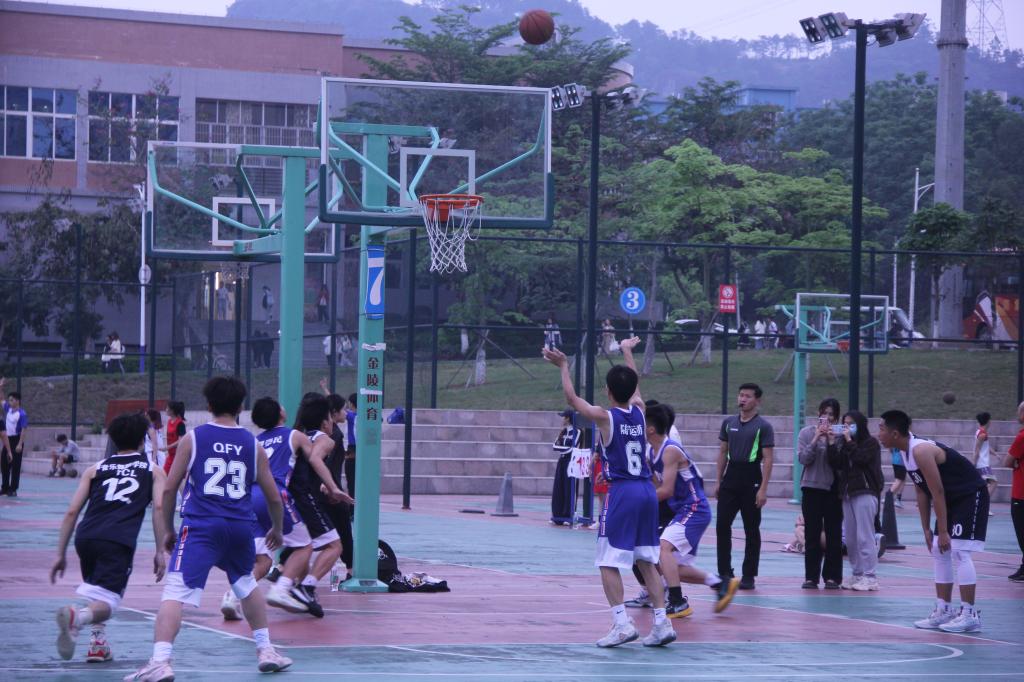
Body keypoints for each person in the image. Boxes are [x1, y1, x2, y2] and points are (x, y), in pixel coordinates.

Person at [125, 376, 292, 681]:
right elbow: (273, 497)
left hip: (202, 526)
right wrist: (278, 530)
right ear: (240, 407)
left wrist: (168, 530)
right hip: (240, 527)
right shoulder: (253, 444)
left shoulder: (194, 438)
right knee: (246, 583)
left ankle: (160, 661)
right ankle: (266, 650)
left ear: (209, 405)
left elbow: (169, 489)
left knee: (175, 591)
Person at [542, 336, 674, 648]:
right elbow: (635, 385)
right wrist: (627, 351)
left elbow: (572, 399)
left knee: (607, 561)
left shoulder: (606, 417)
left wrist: (563, 366)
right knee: (646, 560)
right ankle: (662, 623)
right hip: (647, 491)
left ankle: (622, 623)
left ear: (608, 391)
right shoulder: (640, 412)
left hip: (623, 492)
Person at [51, 412, 167, 664]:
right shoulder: (153, 470)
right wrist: (160, 550)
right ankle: (77, 618)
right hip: (117, 540)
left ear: (113, 440)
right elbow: (159, 508)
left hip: (85, 537)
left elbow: (72, 512)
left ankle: (98, 644)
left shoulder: (95, 469)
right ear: (142, 441)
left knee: (98, 591)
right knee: (109, 603)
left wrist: (60, 553)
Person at [221, 396, 349, 621]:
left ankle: (231, 597)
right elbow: (315, 460)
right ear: (281, 414)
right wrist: (333, 488)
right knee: (305, 547)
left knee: (263, 561)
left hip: (250, 499)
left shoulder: (256, 441)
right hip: (275, 496)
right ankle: (281, 589)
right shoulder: (294, 435)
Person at [878, 409, 989, 633]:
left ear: (895, 433)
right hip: (951, 499)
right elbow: (922, 491)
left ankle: (969, 614)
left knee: (959, 551)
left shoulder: (920, 450)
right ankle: (944, 609)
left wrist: (944, 530)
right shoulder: (906, 453)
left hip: (969, 494)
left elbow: (937, 491)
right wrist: (926, 530)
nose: (878, 434)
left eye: (881, 429)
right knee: (939, 549)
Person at [648, 402, 740, 618]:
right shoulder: (651, 452)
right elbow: (655, 486)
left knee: (663, 549)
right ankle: (720, 583)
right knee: (670, 566)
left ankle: (677, 602)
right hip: (682, 510)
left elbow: (666, 490)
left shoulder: (670, 450)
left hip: (694, 507)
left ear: (650, 429)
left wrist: (635, 502)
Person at [714, 383, 774, 590]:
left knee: (751, 529)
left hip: (752, 477)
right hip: (731, 476)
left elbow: (768, 458)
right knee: (722, 525)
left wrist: (763, 489)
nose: (743, 399)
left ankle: (749, 575)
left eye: (748, 396)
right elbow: (723, 452)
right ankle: (724, 572)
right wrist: (718, 481)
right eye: (741, 395)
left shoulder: (763, 426)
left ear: (757, 401)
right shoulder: (728, 423)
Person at [828, 410, 883, 591]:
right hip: (847, 493)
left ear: (860, 425)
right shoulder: (844, 443)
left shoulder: (871, 443)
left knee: (864, 536)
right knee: (851, 537)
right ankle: (857, 573)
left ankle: (870, 576)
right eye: (844, 424)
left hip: (865, 491)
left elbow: (861, 459)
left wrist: (849, 441)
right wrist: (831, 442)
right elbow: (836, 463)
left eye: (851, 424)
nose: (847, 428)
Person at [797, 398, 844, 590]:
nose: (827, 418)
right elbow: (803, 459)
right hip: (811, 488)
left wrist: (832, 441)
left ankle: (833, 577)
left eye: (831, 414)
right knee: (812, 534)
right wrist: (816, 438)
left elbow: (838, 463)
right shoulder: (806, 433)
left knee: (834, 535)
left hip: (833, 490)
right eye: (824, 413)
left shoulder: (840, 435)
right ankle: (811, 577)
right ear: (818, 414)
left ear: (837, 417)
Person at [1004, 400, 1024, 582]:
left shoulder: (1022, 437)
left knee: (1022, 532)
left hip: (1021, 493)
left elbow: (1007, 461)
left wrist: (1016, 461)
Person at [551, 409, 580, 525]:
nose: (562, 419)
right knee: (559, 487)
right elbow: (554, 446)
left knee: (569, 488)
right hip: (562, 461)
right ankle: (557, 515)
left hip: (571, 462)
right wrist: (563, 449)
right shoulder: (563, 432)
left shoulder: (577, 432)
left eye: (564, 417)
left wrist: (562, 449)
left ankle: (568, 514)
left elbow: (572, 448)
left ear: (568, 418)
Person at [1, 384, 28, 497]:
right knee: (4, 464)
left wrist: (20, 444)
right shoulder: (8, 409)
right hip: (7, 440)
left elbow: (24, 429)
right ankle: (5, 488)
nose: (9, 402)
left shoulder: (22, 414)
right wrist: (1, 387)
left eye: (11, 400)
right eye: (9, 400)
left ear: (17, 401)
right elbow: (1, 399)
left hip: (16, 440)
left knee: (15, 466)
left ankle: (13, 489)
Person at [972, 412, 1000, 510]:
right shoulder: (982, 434)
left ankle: (980, 505)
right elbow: (977, 450)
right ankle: (982, 505)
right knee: (993, 483)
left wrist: (995, 454)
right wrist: (974, 464)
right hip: (982, 464)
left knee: (985, 485)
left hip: (982, 464)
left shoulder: (980, 432)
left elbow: (986, 447)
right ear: (988, 421)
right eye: (990, 419)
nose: (991, 421)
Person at [163, 402, 187, 475]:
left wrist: (168, 447)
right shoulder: (169, 421)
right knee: (164, 474)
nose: (166, 410)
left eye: (167, 408)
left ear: (172, 411)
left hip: (178, 455)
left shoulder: (180, 424)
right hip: (171, 455)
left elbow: (181, 440)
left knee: (172, 476)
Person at [344, 393, 357, 497]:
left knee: (351, 480)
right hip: (363, 449)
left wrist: (325, 389)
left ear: (352, 404)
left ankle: (352, 503)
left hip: (352, 449)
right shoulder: (366, 417)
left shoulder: (351, 416)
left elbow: (335, 405)